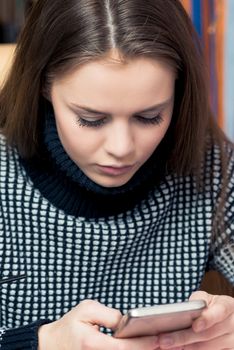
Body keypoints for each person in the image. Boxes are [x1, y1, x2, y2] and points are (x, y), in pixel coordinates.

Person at [0, 0, 233, 349]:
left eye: (150, 116)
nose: (122, 147)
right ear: (43, 86)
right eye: (91, 119)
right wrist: (42, 342)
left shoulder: (211, 165)